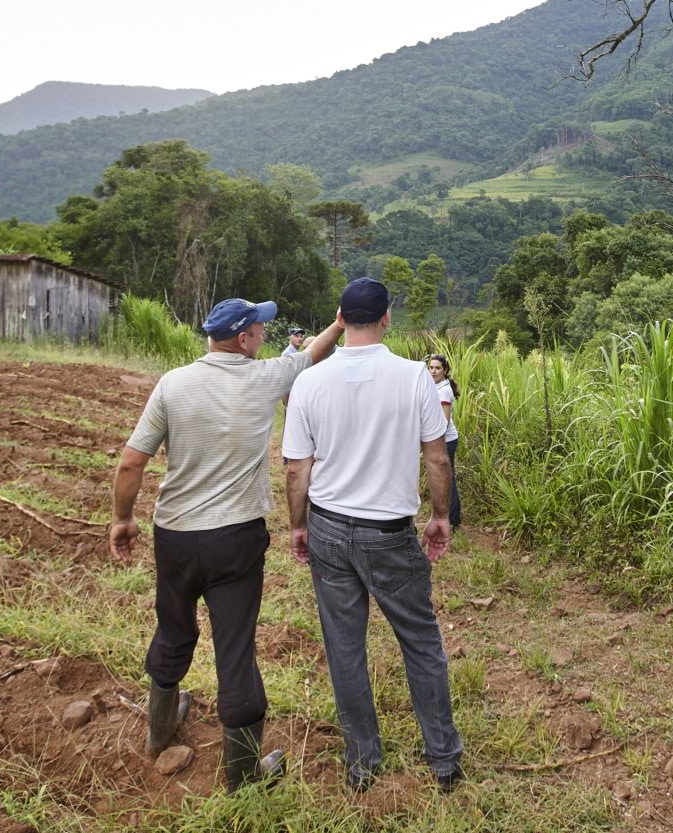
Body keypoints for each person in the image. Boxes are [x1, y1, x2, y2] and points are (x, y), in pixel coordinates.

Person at [109, 297, 343, 794]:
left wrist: (122, 519)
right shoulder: (264, 379)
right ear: (244, 339)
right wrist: (340, 324)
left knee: (173, 629)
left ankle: (158, 732)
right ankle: (242, 775)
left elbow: (131, 461)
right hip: (234, 538)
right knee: (234, 648)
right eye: (260, 329)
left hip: (173, 535)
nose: (264, 335)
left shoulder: (172, 383)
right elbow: (314, 354)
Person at [283, 278, 463, 793]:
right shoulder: (414, 379)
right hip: (389, 532)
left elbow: (298, 469)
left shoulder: (310, 382)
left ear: (340, 317)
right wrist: (440, 515)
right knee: (421, 642)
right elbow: (436, 456)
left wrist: (298, 526)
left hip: (329, 529)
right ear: (387, 318)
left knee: (345, 648)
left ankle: (362, 762)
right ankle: (444, 760)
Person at [426, 354, 462, 527]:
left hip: (446, 440)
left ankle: (453, 520)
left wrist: (434, 443)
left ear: (445, 370)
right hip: (444, 440)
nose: (433, 371)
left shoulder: (444, 390)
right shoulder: (438, 386)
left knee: (448, 480)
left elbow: (444, 422)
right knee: (446, 479)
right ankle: (451, 518)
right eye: (431, 367)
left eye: (437, 368)